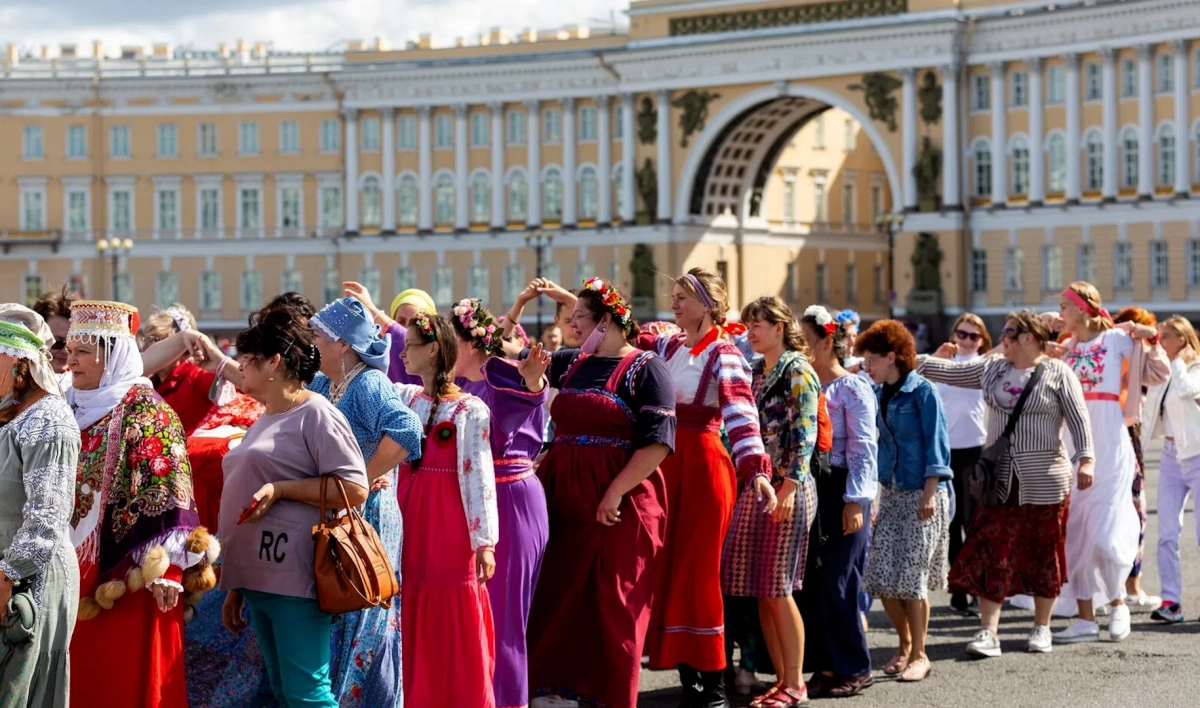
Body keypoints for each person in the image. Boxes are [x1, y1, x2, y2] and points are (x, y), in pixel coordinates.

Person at [626, 268, 773, 707]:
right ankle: (691, 682)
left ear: (707, 304)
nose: (673, 304)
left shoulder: (724, 352)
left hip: (705, 467)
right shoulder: (669, 343)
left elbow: (742, 414)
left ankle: (712, 689)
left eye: (682, 298)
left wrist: (757, 469)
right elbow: (621, 336)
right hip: (666, 464)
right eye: (672, 296)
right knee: (667, 571)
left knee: (699, 576)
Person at [527, 278, 675, 708]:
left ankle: (610, 697)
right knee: (557, 597)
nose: (571, 325)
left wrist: (614, 492)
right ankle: (555, 691)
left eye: (579, 318)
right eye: (569, 319)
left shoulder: (647, 368)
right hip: (562, 498)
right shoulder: (570, 362)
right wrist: (533, 378)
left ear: (606, 321)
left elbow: (658, 443)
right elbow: (509, 370)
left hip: (620, 504)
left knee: (616, 607)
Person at [65, 300, 218, 708]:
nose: (70, 361)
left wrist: (166, 569)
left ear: (110, 355)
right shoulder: (75, 406)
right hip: (73, 572)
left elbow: (168, 492)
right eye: (69, 350)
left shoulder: (147, 412)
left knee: (122, 682)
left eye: (82, 352)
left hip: (130, 578)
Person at [218, 308, 370, 708]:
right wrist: (237, 585)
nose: (240, 367)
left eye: (248, 359)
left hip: (293, 575)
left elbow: (354, 487)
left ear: (274, 362)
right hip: (261, 578)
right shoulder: (267, 416)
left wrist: (283, 489)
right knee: (287, 692)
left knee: (307, 695)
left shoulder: (315, 412)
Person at [919, 311, 1094, 657]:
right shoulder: (994, 368)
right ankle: (989, 633)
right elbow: (950, 371)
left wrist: (1085, 459)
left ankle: (1041, 628)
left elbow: (1079, 420)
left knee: (1044, 554)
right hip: (998, 480)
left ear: (1029, 337)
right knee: (990, 550)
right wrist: (905, 358)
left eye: (1010, 333)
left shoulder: (1060, 373)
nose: (1003, 339)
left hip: (1045, 479)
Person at [308, 297, 423, 707]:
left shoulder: (368, 382)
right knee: (331, 612)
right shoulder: (323, 383)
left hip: (366, 518)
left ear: (342, 344)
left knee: (360, 608)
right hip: (336, 512)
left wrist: (362, 479)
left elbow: (408, 429)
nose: (313, 343)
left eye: (318, 336)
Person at [1046, 282, 1167, 643]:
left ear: (1082, 309)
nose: (1061, 314)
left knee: (1107, 529)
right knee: (1075, 530)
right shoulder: (1066, 350)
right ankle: (1085, 617)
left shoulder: (1116, 340)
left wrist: (1152, 339)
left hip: (1111, 442)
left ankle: (1117, 602)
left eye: (1064, 308)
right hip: (1073, 442)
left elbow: (1159, 373)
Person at [450, 297, 551, 708]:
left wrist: (533, 384)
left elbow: (531, 396)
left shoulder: (503, 376)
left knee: (504, 620)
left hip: (510, 499)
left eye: (449, 337)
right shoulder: (457, 381)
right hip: (473, 503)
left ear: (471, 344)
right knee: (475, 615)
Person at [394, 312, 499, 708]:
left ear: (434, 349)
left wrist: (484, 542)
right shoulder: (404, 398)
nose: (402, 353)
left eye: (410, 345)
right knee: (410, 603)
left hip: (448, 525)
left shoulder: (470, 410)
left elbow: (479, 477)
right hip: (407, 520)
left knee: (451, 609)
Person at [720, 297, 815, 707]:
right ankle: (782, 680)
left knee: (778, 587)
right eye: (748, 325)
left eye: (758, 325)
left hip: (787, 488)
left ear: (780, 326)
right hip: (763, 488)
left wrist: (790, 487)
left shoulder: (797, 369)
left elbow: (804, 434)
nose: (751, 332)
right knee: (764, 589)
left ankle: (795, 683)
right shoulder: (757, 370)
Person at [854, 319, 951, 683]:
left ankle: (920, 655)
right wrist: (877, 494)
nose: (867, 367)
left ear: (892, 357)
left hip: (923, 494)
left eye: (872, 360)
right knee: (879, 577)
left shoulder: (923, 392)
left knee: (912, 580)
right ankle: (905, 643)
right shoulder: (878, 394)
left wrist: (929, 492)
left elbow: (938, 447)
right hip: (892, 493)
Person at [0, 306, 81, 708]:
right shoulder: (8, 414)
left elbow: (47, 517)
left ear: (16, 359)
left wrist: (7, 577)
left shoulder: (49, 419)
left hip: (33, 579)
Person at [798, 305, 877, 698]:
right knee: (813, 582)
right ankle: (826, 664)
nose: (800, 348)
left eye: (806, 341)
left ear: (828, 342)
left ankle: (854, 665)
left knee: (839, 581)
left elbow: (864, 448)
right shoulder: (805, 384)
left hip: (846, 488)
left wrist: (856, 500)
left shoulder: (852, 387)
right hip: (815, 486)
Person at [1142, 316, 1200, 624]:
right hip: (1170, 456)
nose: (1159, 341)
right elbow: (1149, 412)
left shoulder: (1194, 368)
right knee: (1166, 533)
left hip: (1198, 456)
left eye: (1165, 336)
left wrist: (1179, 362)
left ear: (1182, 339)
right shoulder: (1163, 372)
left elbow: (1188, 391)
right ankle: (1172, 602)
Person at [934, 313, 992, 614]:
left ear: (982, 340)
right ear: (953, 335)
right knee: (951, 524)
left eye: (974, 336)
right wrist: (936, 356)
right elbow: (914, 376)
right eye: (962, 334)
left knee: (975, 524)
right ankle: (958, 589)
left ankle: (978, 585)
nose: (967, 340)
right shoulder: (942, 363)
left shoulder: (986, 365)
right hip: (945, 454)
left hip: (975, 452)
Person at [1111, 307, 1163, 609]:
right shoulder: (1108, 353)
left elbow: (1159, 373)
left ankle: (1132, 585)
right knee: (1112, 514)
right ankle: (1112, 588)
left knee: (1136, 514)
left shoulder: (1139, 356)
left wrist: (1152, 341)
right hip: (1109, 436)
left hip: (1132, 441)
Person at [341, 283, 435, 386]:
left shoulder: (438, 360)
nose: (406, 330)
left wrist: (370, 308)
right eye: (401, 322)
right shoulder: (377, 355)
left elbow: (400, 335)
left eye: (414, 324)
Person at [32, 287, 73, 377]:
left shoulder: (83, 385)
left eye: (73, 343)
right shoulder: (13, 381)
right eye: (57, 342)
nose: (66, 351)